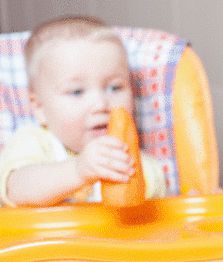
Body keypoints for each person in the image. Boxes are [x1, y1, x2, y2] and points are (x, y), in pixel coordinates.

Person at [0, 16, 166, 207]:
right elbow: (15, 190)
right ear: (40, 108)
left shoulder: (133, 157)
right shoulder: (34, 142)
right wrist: (78, 171)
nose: (101, 104)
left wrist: (126, 173)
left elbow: (156, 207)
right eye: (77, 91)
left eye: (114, 87)